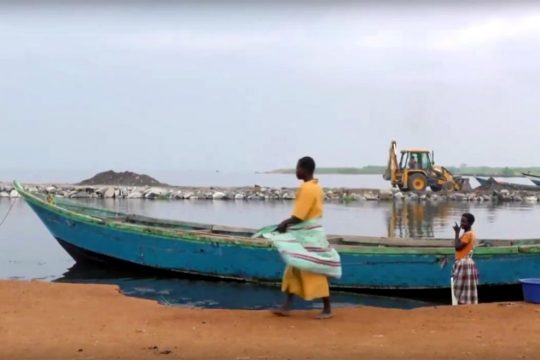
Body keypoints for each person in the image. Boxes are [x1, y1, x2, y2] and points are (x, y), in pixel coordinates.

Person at [268, 156, 341, 319]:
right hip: (309, 233)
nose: (296, 171)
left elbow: (299, 216)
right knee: (293, 267)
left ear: (304, 169)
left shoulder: (307, 188)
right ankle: (286, 306)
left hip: (308, 236)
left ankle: (327, 308)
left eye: (297, 168)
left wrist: (284, 223)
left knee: (313, 270)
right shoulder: (316, 186)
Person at [451, 213, 479, 305]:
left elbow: (457, 247)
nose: (461, 223)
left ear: (470, 223)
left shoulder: (468, 235)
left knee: (459, 286)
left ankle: (463, 305)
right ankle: (467, 304)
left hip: (464, 263)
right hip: (467, 262)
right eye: (461, 221)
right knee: (466, 287)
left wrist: (456, 233)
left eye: (464, 221)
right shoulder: (470, 233)